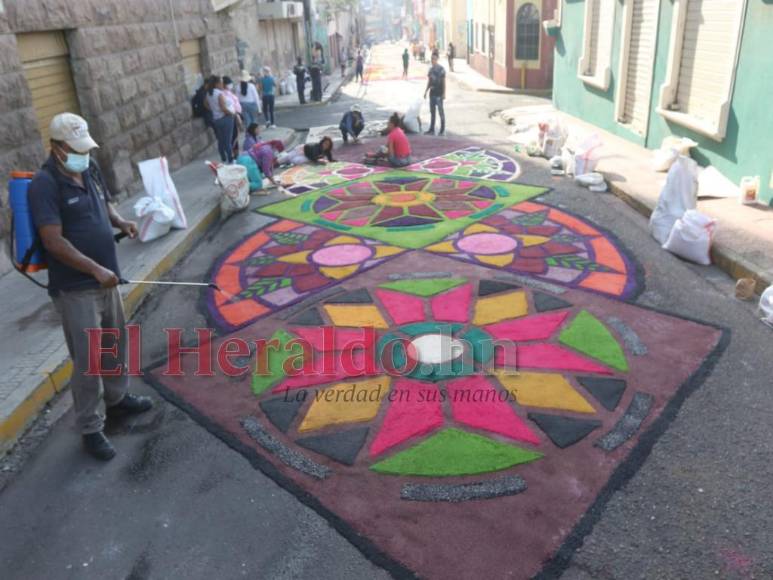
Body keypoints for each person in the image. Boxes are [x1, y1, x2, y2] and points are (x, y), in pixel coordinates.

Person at [27, 113, 153, 461]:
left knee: (114, 342)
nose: (83, 154)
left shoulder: (89, 167)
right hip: (76, 287)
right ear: (56, 148)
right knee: (88, 359)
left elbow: (104, 202)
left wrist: (121, 220)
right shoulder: (45, 184)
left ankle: (117, 399)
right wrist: (96, 269)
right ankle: (90, 427)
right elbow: (52, 241)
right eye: (76, 149)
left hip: (107, 277)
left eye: (85, 147)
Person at [205, 75, 237, 163]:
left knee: (221, 140)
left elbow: (206, 104)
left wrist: (214, 109)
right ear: (217, 84)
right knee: (227, 140)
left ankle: (223, 157)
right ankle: (230, 158)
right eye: (221, 82)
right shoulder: (219, 94)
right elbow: (223, 108)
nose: (222, 84)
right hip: (225, 118)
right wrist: (232, 113)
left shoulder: (209, 93)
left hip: (216, 119)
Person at [424, 53, 446, 136]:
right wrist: (425, 91)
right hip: (432, 94)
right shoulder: (430, 70)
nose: (433, 60)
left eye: (434, 59)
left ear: (437, 59)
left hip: (439, 94)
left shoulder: (441, 69)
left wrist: (444, 93)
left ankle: (442, 129)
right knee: (432, 112)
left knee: (441, 112)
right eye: (432, 58)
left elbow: (444, 82)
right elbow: (429, 81)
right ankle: (432, 129)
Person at [222, 76, 243, 158]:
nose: (231, 85)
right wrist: (236, 115)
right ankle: (233, 154)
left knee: (235, 135)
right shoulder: (223, 94)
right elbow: (229, 106)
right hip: (232, 116)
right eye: (229, 83)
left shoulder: (229, 92)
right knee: (233, 136)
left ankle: (235, 153)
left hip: (235, 114)